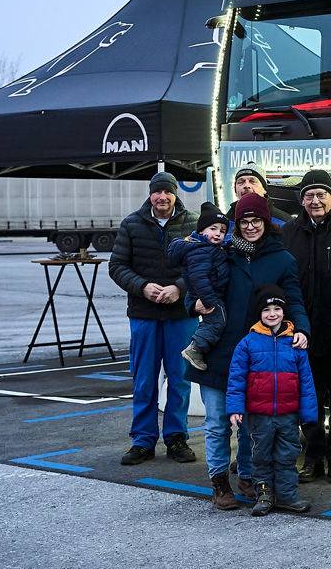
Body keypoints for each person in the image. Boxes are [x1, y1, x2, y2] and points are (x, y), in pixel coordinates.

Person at [184, 192, 310, 510]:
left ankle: (247, 475)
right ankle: (219, 483)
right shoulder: (221, 252)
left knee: (250, 424)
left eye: (256, 220)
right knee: (216, 422)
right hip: (217, 349)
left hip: (259, 355)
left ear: (266, 222)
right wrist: (191, 303)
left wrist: (302, 330)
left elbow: (293, 300)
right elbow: (193, 281)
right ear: (235, 224)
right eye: (244, 221)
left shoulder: (282, 259)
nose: (250, 226)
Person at [108, 171, 199, 466]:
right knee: (144, 379)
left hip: (180, 315)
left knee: (180, 378)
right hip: (144, 314)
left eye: (167, 192)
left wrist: (179, 288)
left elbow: (203, 265)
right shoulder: (132, 224)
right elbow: (117, 266)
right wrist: (142, 287)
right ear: (150, 194)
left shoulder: (193, 224)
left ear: (175, 194)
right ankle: (143, 440)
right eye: (157, 192)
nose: (162, 197)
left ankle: (176, 437)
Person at [282, 169, 331, 485]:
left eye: (321, 194)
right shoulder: (288, 232)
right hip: (302, 331)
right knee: (307, 398)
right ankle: (313, 457)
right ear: (302, 200)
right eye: (309, 195)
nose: (315, 201)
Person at [226, 283, 318, 516]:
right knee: (261, 456)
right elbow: (237, 378)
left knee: (287, 455)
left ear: (283, 312)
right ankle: (264, 495)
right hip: (259, 415)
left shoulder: (296, 344)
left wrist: (308, 415)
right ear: (259, 314)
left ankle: (287, 496)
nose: (272, 314)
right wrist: (235, 408)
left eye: (277, 309)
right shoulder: (247, 343)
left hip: (288, 415)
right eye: (266, 311)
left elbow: (306, 383)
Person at [170, 202, 230, 372]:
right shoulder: (200, 251)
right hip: (209, 296)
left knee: (213, 323)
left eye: (222, 231)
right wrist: (209, 300)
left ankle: (198, 346)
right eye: (213, 229)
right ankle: (196, 348)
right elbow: (199, 278)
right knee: (217, 321)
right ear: (201, 230)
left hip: (210, 294)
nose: (218, 234)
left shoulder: (210, 248)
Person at [224, 163, 293, 228]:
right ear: (235, 191)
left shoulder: (285, 222)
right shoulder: (224, 223)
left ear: (264, 189)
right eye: (241, 182)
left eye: (252, 181)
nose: (246, 185)